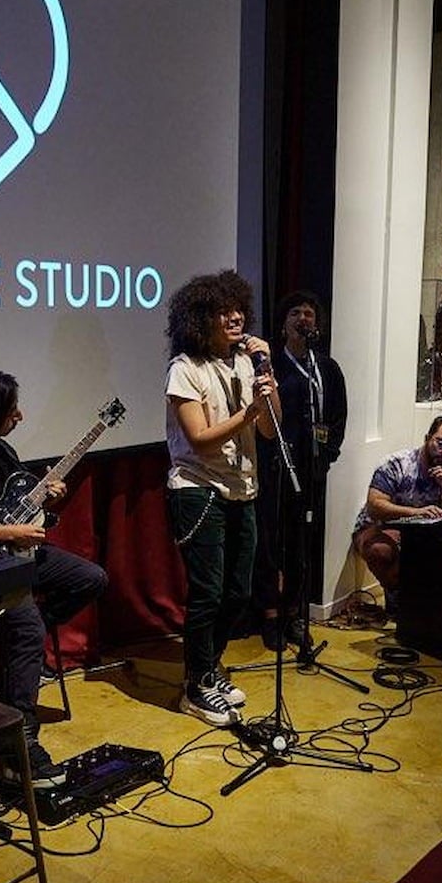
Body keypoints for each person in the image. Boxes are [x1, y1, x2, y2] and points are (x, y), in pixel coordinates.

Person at [0, 368, 108, 787]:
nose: (21, 416)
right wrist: (9, 533)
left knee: (92, 578)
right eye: (12, 410)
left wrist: (50, 498)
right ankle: (21, 740)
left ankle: (21, 657)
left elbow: (27, 511)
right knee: (26, 628)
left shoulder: (2, 451)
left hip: (23, 556)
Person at [164, 269, 279, 726]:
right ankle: (195, 686)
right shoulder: (184, 370)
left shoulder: (248, 362)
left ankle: (210, 667)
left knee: (239, 591)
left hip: (242, 488)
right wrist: (249, 410)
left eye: (238, 309)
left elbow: (271, 431)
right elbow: (201, 441)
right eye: (222, 311)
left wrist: (267, 384)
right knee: (208, 592)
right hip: (197, 489)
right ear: (200, 319)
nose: (235, 317)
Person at [253, 290, 348, 650]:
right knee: (270, 544)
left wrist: (327, 456)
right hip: (275, 469)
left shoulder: (326, 368)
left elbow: (338, 415)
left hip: (311, 471)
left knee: (301, 545)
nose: (303, 319)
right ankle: (270, 616)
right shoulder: (271, 366)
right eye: (295, 312)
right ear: (282, 325)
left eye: (309, 313)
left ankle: (294, 613)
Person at [351, 416, 442, 612]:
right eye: (441, 443)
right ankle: (399, 597)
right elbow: (375, 505)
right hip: (381, 527)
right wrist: (417, 512)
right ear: (427, 438)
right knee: (381, 550)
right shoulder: (396, 464)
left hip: (423, 534)